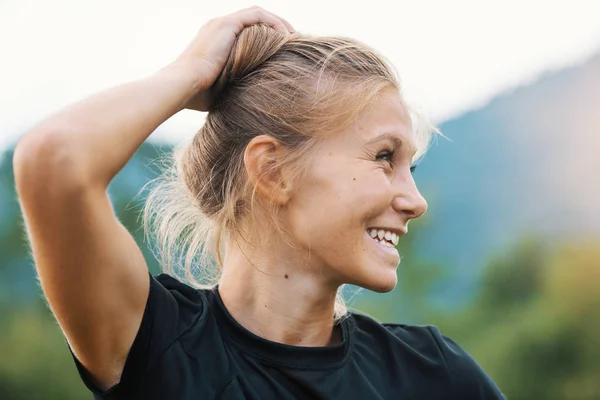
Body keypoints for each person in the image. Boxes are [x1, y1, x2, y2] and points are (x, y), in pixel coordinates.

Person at [13, 6, 504, 400]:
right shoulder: (160, 345)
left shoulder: (435, 374)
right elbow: (54, 160)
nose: (415, 201)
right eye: (383, 157)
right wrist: (190, 73)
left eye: (410, 168)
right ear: (272, 170)